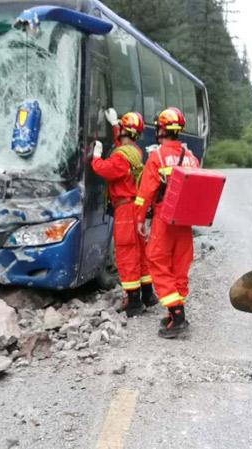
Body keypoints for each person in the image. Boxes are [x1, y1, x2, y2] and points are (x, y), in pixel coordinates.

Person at [134, 107, 199, 338]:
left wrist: (140, 218)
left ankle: (177, 313)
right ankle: (176, 311)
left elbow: (145, 193)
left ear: (161, 129)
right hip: (185, 221)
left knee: (157, 261)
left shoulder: (157, 156)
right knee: (180, 265)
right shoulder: (191, 158)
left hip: (164, 219)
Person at [92, 110, 154, 317]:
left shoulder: (120, 157)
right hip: (135, 207)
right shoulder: (134, 150)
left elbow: (104, 169)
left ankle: (134, 303)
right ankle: (148, 295)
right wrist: (114, 126)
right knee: (140, 253)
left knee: (126, 254)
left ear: (125, 132)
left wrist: (95, 156)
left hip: (124, 209)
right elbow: (121, 151)